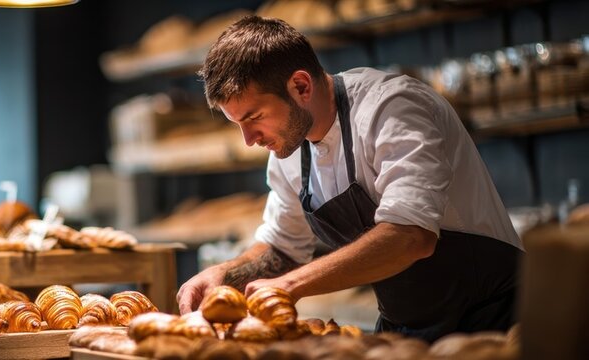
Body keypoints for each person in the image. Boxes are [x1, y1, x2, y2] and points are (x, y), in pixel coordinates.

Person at [177, 15, 524, 342]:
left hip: (492, 321)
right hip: (403, 329)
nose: (249, 140)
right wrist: (225, 275)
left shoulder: (391, 107)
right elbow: (284, 248)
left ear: (300, 86)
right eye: (237, 124)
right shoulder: (287, 151)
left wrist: (292, 285)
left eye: (254, 117)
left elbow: (411, 235)